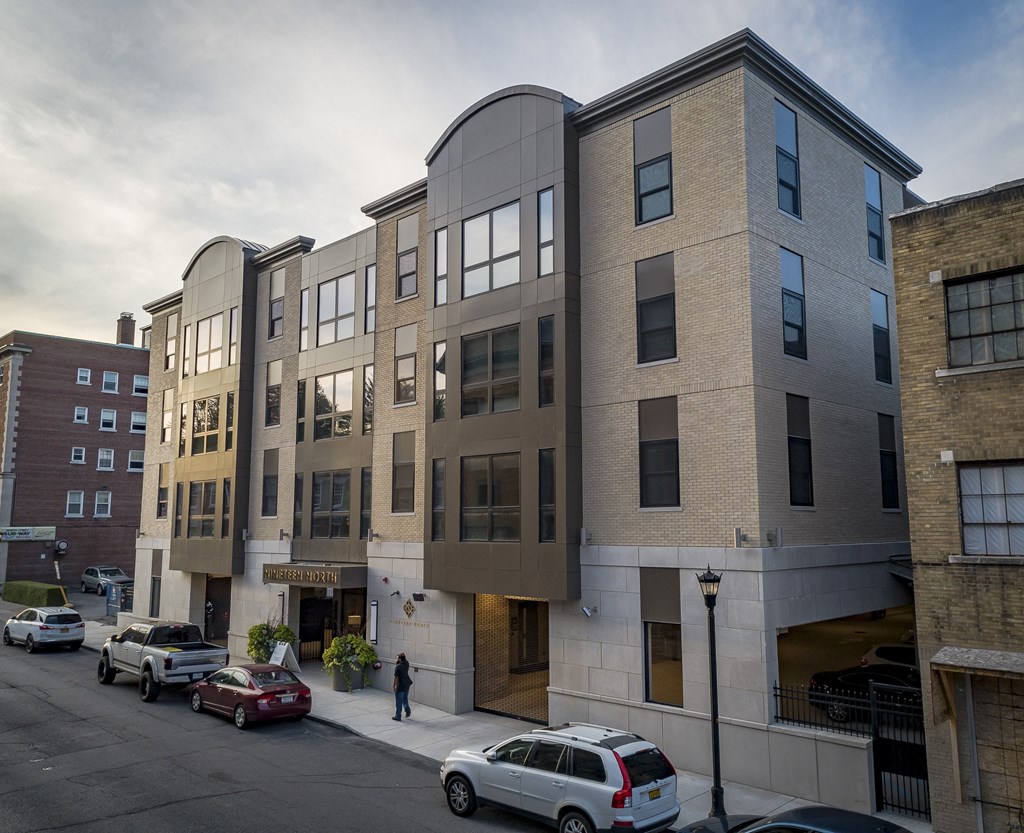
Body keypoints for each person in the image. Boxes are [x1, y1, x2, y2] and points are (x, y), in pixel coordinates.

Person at [392, 652, 412, 721]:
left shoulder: (398, 667)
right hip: (407, 684)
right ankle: (407, 710)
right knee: (405, 698)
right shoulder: (407, 663)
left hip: (401, 685)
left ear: (400, 659)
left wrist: (394, 686)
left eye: (397, 658)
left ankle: (398, 716)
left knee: (399, 701)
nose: (396, 659)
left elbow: (396, 678)